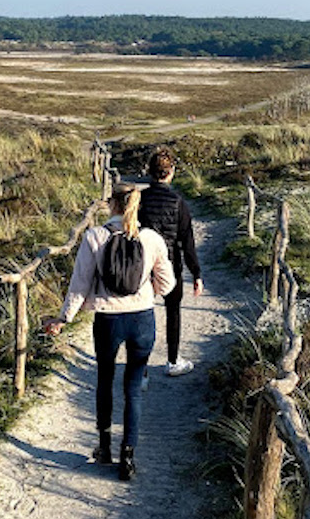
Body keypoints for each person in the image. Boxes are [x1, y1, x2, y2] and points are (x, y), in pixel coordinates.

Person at [43, 183, 174, 481]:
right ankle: (128, 456)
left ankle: (104, 447)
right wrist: (144, 293)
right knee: (133, 389)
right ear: (136, 205)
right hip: (142, 318)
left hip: (107, 320)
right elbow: (167, 285)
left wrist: (64, 318)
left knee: (104, 379)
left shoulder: (95, 237)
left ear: (111, 204)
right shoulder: (151, 239)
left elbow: (79, 285)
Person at [138, 146, 203, 376]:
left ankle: (142, 370)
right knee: (173, 311)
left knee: (143, 313)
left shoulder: (139, 199)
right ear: (171, 171)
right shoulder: (178, 202)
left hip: (142, 264)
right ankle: (173, 360)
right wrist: (196, 273)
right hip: (170, 263)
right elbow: (187, 241)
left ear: (149, 171)